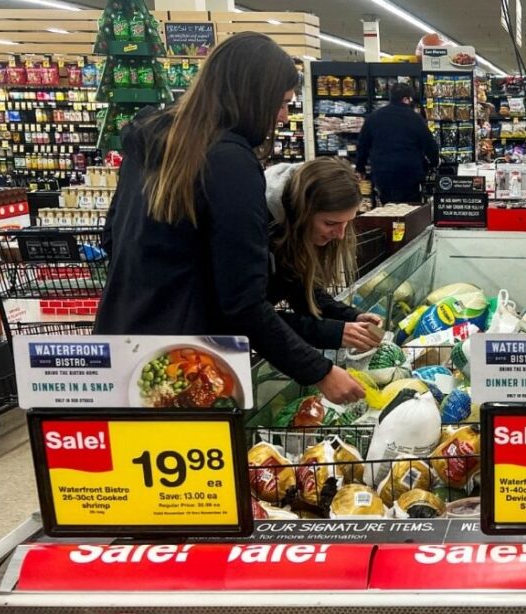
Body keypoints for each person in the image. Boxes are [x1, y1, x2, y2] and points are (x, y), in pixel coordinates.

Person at [95, 32, 365, 404]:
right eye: (281, 103)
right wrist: (319, 371)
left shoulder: (151, 141)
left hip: (122, 344)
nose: (283, 116)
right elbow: (242, 301)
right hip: (191, 364)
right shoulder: (229, 161)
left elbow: (111, 239)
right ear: (253, 96)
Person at [265, 158, 385, 352]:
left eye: (347, 223)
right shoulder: (257, 229)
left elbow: (302, 291)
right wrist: (335, 333)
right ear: (302, 212)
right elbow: (248, 317)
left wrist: (350, 317)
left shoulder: (292, 230)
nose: (340, 235)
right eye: (330, 223)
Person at [356, 82, 439, 204]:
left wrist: (360, 168)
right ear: (406, 99)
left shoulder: (374, 117)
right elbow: (429, 144)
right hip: (409, 172)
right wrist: (433, 163)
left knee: (387, 206)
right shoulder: (415, 118)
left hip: (382, 171)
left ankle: (390, 221)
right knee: (410, 208)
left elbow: (362, 144)